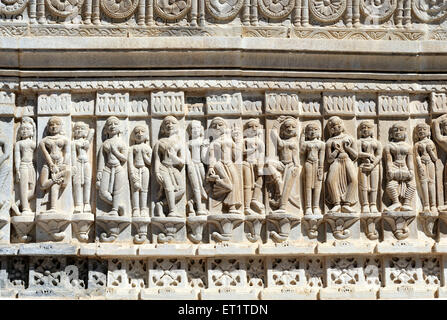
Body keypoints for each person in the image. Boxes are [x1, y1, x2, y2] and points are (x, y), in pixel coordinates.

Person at [153, 116, 185, 217]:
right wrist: (157, 172)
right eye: (167, 123)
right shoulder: (160, 142)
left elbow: (182, 162)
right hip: (163, 167)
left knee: (182, 189)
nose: (169, 125)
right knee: (169, 188)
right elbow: (157, 159)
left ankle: (161, 204)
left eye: (172, 123)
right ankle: (172, 211)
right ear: (163, 128)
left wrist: (174, 157)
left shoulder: (180, 143)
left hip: (174, 168)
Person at [325, 116, 358, 213]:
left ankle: (347, 204)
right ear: (331, 128)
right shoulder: (329, 142)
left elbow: (355, 155)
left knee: (353, 180)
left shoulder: (349, 138)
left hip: (347, 160)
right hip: (336, 161)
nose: (337, 126)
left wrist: (347, 148)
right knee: (330, 180)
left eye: (339, 123)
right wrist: (336, 150)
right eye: (334, 125)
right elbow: (329, 159)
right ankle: (336, 204)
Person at [96, 116, 128, 216]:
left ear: (119, 128)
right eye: (110, 124)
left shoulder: (122, 143)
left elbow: (124, 158)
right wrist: (99, 171)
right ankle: (119, 206)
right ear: (106, 129)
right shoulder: (105, 143)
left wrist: (114, 151)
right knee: (102, 192)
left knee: (117, 190)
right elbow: (101, 158)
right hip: (107, 168)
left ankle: (114, 209)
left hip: (118, 168)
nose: (112, 126)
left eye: (115, 124)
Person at [39, 116, 71, 213]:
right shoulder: (43, 141)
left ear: (61, 126)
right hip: (48, 164)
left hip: (60, 162)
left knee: (56, 185)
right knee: (43, 184)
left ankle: (53, 208)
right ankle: (61, 175)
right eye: (51, 124)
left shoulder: (65, 139)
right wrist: (51, 165)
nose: (54, 126)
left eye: (57, 124)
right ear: (48, 127)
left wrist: (64, 164)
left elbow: (68, 153)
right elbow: (46, 154)